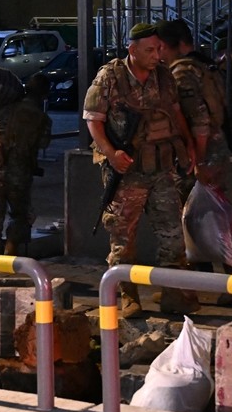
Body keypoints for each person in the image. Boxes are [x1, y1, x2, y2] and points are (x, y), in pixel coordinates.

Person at [83, 21, 198, 318]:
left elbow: (174, 112)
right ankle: (128, 295)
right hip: (128, 171)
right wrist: (112, 153)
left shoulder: (162, 76)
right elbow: (93, 120)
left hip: (161, 169)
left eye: (159, 48)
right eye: (150, 49)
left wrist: (188, 147)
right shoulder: (110, 76)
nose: (157, 54)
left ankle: (172, 294)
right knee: (123, 239)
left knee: (172, 235)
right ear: (132, 50)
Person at [156, 19, 232, 304]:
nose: (158, 54)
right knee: (199, 219)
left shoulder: (182, 72)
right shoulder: (205, 65)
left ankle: (228, 280)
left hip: (201, 154)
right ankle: (199, 282)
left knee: (202, 220)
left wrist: (199, 160)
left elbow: (199, 118)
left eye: (161, 48)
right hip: (214, 149)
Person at [0, 73, 53, 255]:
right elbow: (43, 143)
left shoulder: (5, 109)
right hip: (20, 175)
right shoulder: (42, 119)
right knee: (19, 215)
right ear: (44, 95)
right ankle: (10, 252)